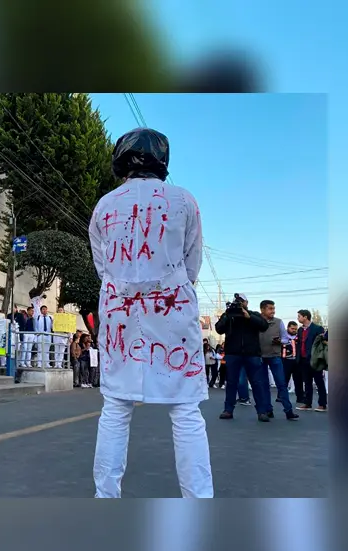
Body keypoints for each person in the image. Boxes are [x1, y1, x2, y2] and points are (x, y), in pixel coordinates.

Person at [88, 127, 213, 498]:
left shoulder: (105, 206)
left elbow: (102, 266)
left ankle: (105, 497)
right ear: (163, 160)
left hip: (119, 313)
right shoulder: (184, 201)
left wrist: (128, 286)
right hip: (171, 307)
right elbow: (192, 262)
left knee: (115, 408)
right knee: (186, 410)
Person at [215, 293, 271, 421]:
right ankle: (228, 410)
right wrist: (227, 316)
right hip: (233, 354)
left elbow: (264, 326)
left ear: (246, 303)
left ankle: (262, 411)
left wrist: (249, 317)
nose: (239, 304)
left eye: (241, 301)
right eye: (237, 301)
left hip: (252, 354)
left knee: (257, 383)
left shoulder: (253, 314)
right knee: (231, 383)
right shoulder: (229, 314)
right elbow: (219, 329)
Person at [258, 300, 300, 421]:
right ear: (262, 310)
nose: (273, 311)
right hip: (261, 357)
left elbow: (286, 339)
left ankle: (288, 411)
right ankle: (268, 409)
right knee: (264, 385)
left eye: (273, 308)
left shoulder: (278, 322)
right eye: (270, 308)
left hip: (275, 357)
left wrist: (279, 341)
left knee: (281, 384)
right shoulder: (257, 322)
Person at [295, 309, 327, 411]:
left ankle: (322, 404)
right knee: (307, 382)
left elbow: (322, 344)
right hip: (303, 360)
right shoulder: (300, 330)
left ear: (305, 317)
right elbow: (299, 344)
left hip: (315, 359)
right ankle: (307, 403)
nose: (298, 318)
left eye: (299, 316)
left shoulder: (317, 328)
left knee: (319, 382)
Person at [281, 321, 303, 397]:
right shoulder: (283, 337)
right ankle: (281, 396)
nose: (294, 330)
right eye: (292, 328)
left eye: (295, 329)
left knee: (298, 380)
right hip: (285, 361)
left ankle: (300, 397)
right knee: (284, 380)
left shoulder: (298, 337)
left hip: (296, 361)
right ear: (288, 328)